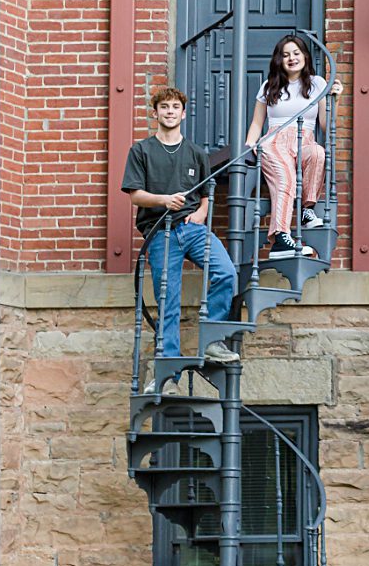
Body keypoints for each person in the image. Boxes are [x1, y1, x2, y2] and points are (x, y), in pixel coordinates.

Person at [122, 86, 238, 366]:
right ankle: (168, 373)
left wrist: (201, 213)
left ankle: (212, 342)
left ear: (183, 114)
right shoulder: (141, 150)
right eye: (164, 107)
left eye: (175, 107)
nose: (170, 112)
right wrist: (164, 200)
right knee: (168, 302)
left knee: (226, 274)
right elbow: (135, 194)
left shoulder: (195, 153)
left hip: (194, 230)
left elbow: (207, 193)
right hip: (160, 233)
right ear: (155, 113)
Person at [244, 33, 330, 257]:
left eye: (296, 53)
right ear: (279, 60)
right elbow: (257, 122)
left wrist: (334, 101)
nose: (291, 58)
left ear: (304, 56)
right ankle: (281, 237)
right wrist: (250, 143)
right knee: (286, 178)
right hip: (275, 142)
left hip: (305, 140)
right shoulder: (268, 86)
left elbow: (325, 125)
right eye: (285, 55)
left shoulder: (317, 83)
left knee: (319, 153)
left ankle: (306, 210)